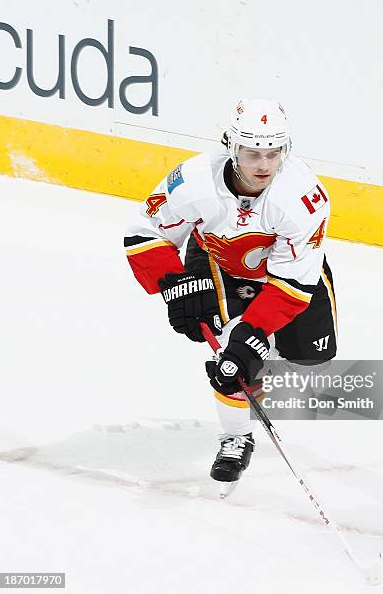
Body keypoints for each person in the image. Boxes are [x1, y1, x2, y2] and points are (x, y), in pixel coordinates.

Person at [124, 98, 337, 489]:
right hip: (217, 263)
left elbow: (293, 283)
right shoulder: (193, 181)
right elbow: (144, 231)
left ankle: (254, 358)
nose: (263, 165)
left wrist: (255, 333)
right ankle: (236, 435)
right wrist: (173, 283)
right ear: (231, 146)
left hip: (286, 275)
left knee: (312, 358)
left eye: (274, 153)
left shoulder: (303, 198)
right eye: (253, 152)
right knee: (233, 362)